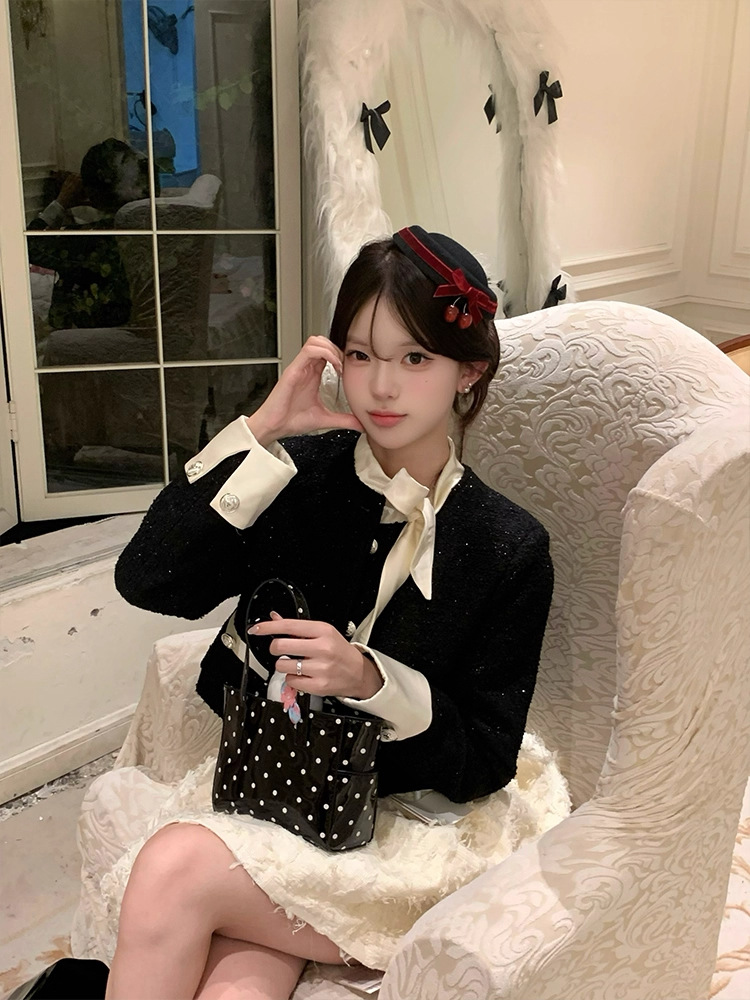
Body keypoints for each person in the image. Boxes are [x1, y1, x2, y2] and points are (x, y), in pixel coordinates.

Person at [87, 226, 564, 1000]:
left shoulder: (507, 544)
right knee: (237, 989)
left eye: (416, 359)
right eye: (361, 355)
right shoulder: (295, 477)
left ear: (468, 370)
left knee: (172, 869)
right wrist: (260, 429)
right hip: (276, 792)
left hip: (410, 829)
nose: (381, 387)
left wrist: (373, 681)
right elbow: (149, 579)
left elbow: (484, 759)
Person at [27, 138, 155, 331]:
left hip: (95, 332)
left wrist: (61, 203)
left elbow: (28, 246)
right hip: (139, 321)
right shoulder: (154, 222)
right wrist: (97, 200)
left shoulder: (91, 240)